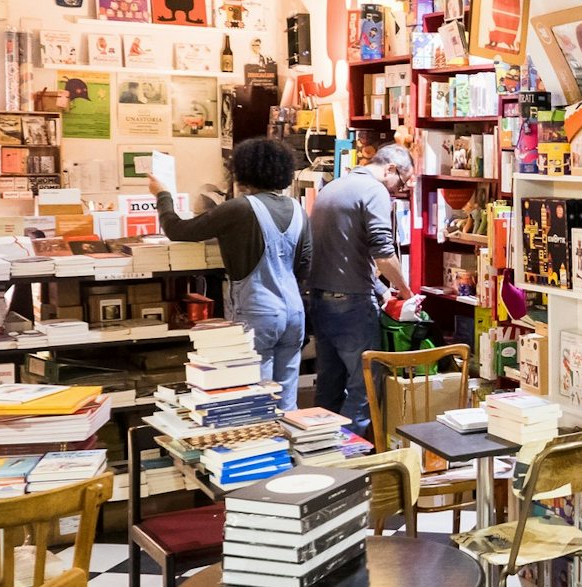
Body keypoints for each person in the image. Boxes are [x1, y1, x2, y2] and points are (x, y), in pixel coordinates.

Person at [150, 137, 312, 409]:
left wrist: (162, 195)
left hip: (258, 311)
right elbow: (304, 264)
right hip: (294, 312)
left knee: (256, 398)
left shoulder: (240, 208)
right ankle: (291, 448)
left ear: (244, 170)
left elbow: (179, 230)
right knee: (286, 400)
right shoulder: (298, 210)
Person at [307, 143, 414, 436]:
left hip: (320, 299)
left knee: (328, 385)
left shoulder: (333, 188)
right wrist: (406, 292)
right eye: (401, 184)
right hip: (351, 305)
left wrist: (382, 291)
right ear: (391, 169)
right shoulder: (374, 190)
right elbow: (382, 251)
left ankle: (323, 454)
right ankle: (349, 457)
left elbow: (344, 255)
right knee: (365, 385)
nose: (396, 192)